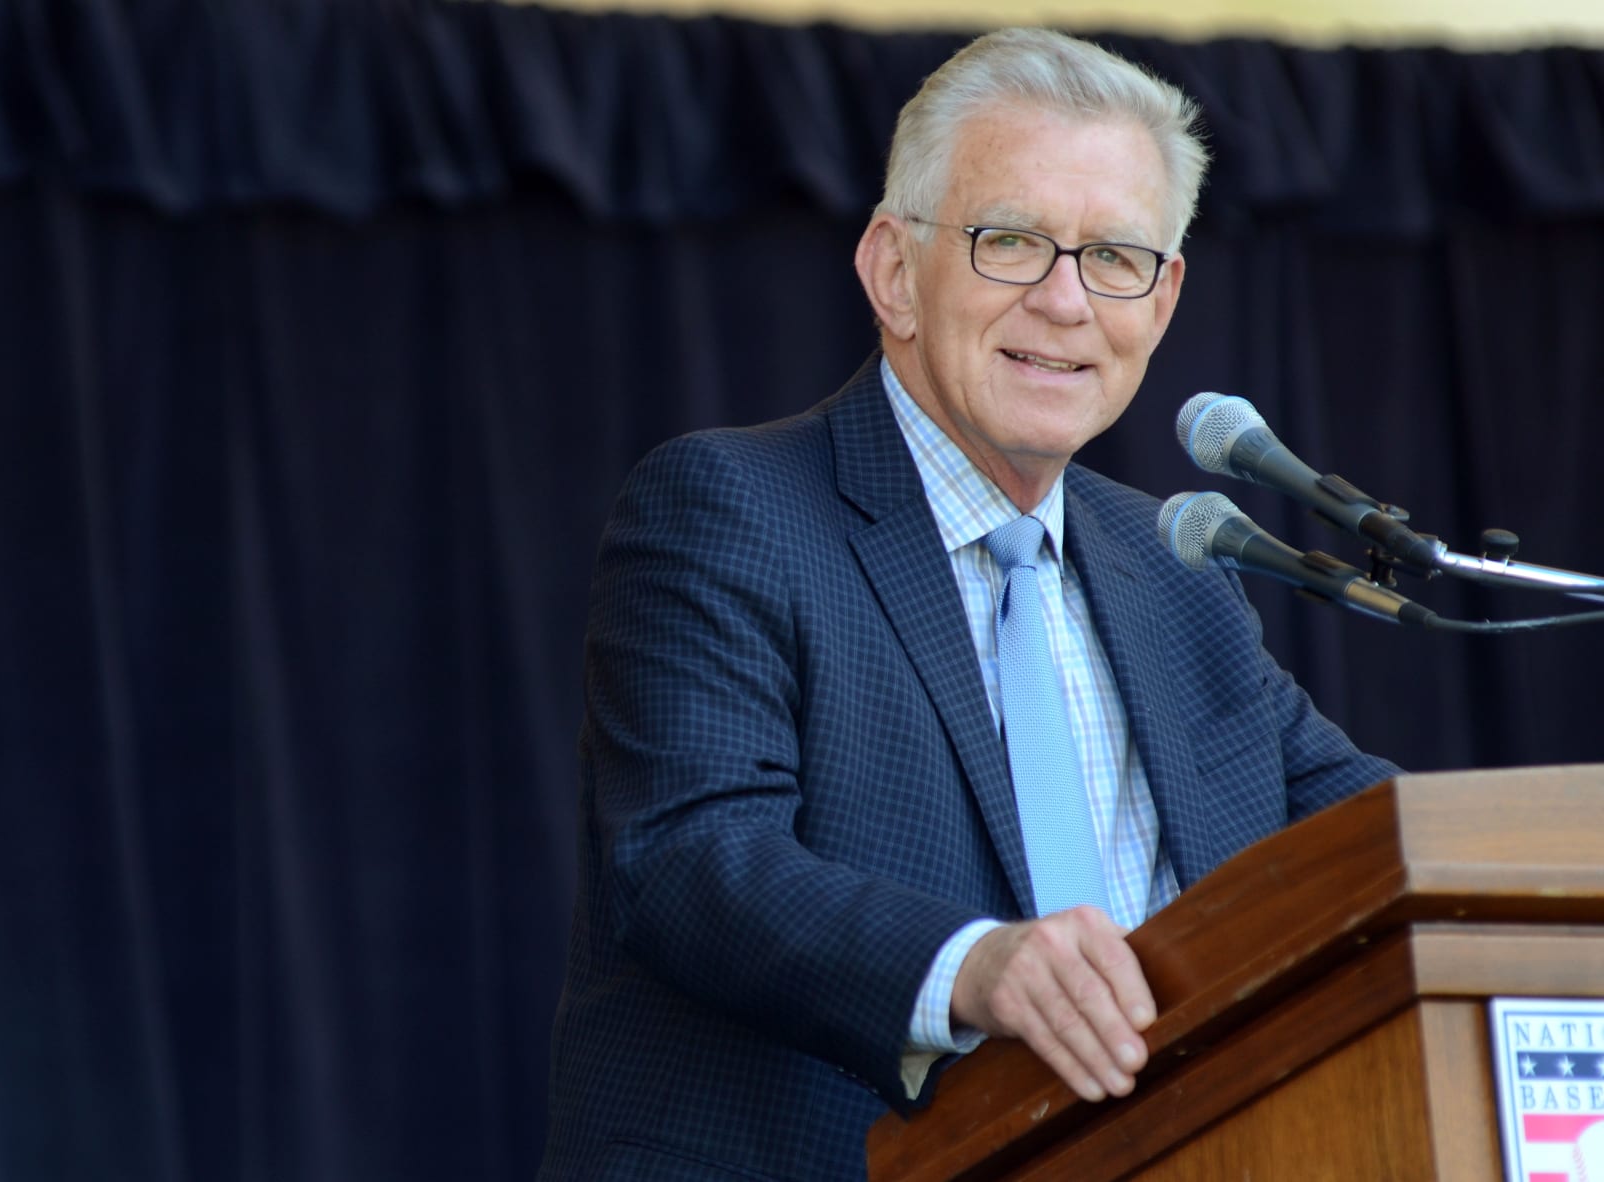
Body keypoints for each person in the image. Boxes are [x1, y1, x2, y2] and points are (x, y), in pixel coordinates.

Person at [539, 27, 1398, 1181]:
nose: (1064, 300)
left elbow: (1383, 843)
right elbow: (689, 862)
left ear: (1165, 295)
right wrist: (978, 966)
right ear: (894, 269)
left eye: (1115, 257)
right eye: (1010, 242)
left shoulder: (1175, 572)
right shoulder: (728, 507)